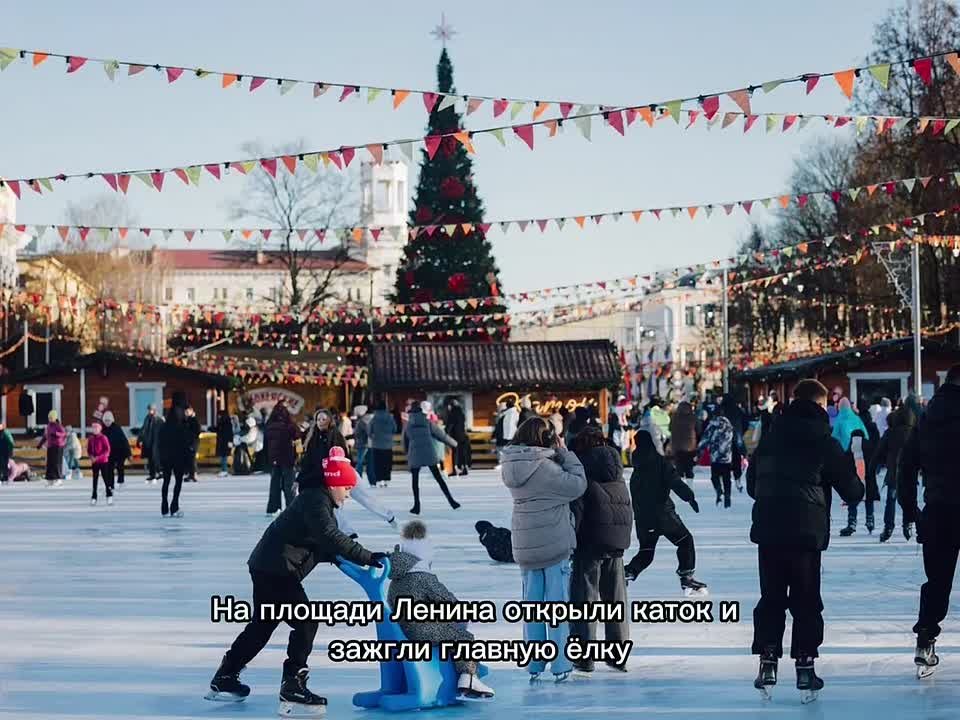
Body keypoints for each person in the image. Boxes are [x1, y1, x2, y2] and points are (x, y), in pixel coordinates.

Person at [207, 444, 387, 714]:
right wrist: (368, 556)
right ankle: (293, 684)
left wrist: (347, 558)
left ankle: (225, 676)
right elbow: (329, 537)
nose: (349, 494)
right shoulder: (316, 501)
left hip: (268, 566)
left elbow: (321, 544)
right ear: (334, 483)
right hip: (278, 570)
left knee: (262, 626)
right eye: (347, 488)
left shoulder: (317, 500)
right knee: (306, 622)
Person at [746, 379, 863, 699]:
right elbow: (853, 491)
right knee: (806, 598)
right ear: (821, 405)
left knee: (771, 597)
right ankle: (805, 665)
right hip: (806, 533)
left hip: (770, 530)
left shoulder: (770, 438)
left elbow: (752, 485)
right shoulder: (823, 441)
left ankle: (768, 660)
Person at [500, 416, 587, 683]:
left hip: (525, 543)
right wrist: (565, 453)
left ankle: (535, 663)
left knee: (532, 607)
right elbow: (578, 484)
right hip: (553, 542)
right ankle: (560, 664)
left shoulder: (510, 464)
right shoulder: (546, 468)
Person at [387, 520, 495, 700]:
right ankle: (468, 678)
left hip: (403, 630)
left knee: (450, 629)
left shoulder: (396, 580)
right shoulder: (423, 576)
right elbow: (448, 601)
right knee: (463, 637)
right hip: (422, 631)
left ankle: (468, 670)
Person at [899, 364, 960, 676]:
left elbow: (906, 465)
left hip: (938, 509)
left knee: (937, 581)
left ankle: (925, 639)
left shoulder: (927, 419)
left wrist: (910, 509)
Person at [568, 426, 632, 672]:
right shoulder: (616, 470)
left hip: (590, 543)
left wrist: (570, 542)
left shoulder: (583, 471)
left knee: (585, 601)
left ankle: (584, 657)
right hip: (617, 543)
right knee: (615, 601)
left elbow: (578, 511)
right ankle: (618, 656)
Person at [626, 428, 706, 594]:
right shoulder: (659, 462)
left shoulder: (637, 468)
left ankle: (627, 573)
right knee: (685, 541)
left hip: (644, 520)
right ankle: (686, 576)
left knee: (646, 552)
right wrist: (689, 497)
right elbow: (675, 482)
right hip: (664, 516)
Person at [868, 405, 916, 543]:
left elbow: (879, 451)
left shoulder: (891, 432)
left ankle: (888, 527)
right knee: (909, 499)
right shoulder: (914, 432)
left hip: (893, 471)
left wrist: (873, 467)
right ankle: (908, 525)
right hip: (910, 472)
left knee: (891, 500)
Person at [403, 402, 459, 514]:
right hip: (428, 453)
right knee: (439, 479)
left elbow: (405, 441)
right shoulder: (428, 423)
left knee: (415, 481)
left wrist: (407, 453)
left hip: (415, 454)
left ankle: (417, 505)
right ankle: (451, 501)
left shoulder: (408, 425)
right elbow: (441, 435)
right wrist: (454, 443)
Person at [834, 398, 872, 536]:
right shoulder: (856, 418)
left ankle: (852, 521)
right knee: (866, 486)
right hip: (860, 453)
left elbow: (834, 437)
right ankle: (869, 519)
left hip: (846, 455)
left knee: (851, 487)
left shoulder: (839, 420)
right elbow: (865, 435)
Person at [698, 409, 740, 508]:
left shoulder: (712, 425)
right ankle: (727, 497)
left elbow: (705, 438)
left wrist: (700, 449)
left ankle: (719, 490)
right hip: (726, 456)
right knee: (727, 478)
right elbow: (736, 440)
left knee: (715, 477)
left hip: (715, 456)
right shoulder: (729, 426)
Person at [159, 399, 193, 517]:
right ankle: (174, 507)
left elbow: (160, 444)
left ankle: (164, 508)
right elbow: (187, 444)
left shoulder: (164, 427)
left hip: (167, 458)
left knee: (166, 482)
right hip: (178, 459)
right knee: (177, 482)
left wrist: (160, 459)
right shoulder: (182, 427)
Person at [265, 402, 299, 516]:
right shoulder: (290, 426)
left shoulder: (269, 425)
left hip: (274, 459)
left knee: (275, 485)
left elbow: (266, 444)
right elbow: (298, 438)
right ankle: (292, 507)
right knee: (289, 485)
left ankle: (273, 508)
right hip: (288, 458)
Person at [369, 400, 397, 488]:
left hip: (376, 444)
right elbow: (395, 428)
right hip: (388, 444)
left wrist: (372, 436)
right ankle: (386, 479)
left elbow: (369, 430)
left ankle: (379, 479)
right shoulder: (390, 417)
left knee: (378, 463)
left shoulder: (374, 417)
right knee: (387, 463)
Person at [669, 400, 698, 480]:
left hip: (677, 446)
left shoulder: (674, 417)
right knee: (689, 467)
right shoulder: (693, 417)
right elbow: (698, 429)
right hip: (690, 446)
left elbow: (670, 428)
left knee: (679, 467)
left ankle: (680, 484)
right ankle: (689, 484)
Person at [101, 411, 131, 488]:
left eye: (108, 420)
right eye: (105, 421)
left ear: (112, 420)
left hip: (119, 451)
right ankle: (110, 485)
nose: (107, 422)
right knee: (109, 469)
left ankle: (121, 481)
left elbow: (124, 441)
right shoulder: (102, 430)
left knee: (120, 467)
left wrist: (128, 453)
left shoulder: (117, 428)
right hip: (109, 453)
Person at [87, 420, 113, 506]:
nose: (94, 429)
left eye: (96, 427)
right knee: (95, 479)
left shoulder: (103, 438)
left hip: (103, 461)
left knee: (106, 479)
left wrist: (98, 457)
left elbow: (107, 450)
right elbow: (89, 450)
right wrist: (91, 457)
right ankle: (94, 496)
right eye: (93, 427)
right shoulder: (91, 438)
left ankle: (109, 495)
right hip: (95, 462)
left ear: (100, 429)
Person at [38, 410, 66, 487]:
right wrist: (40, 444)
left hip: (58, 446)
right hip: (50, 446)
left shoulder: (58, 426)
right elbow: (45, 436)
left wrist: (56, 434)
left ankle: (58, 479)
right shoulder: (48, 426)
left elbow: (64, 434)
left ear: (55, 418)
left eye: (51, 418)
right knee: (50, 463)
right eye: (49, 418)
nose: (50, 419)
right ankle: (50, 479)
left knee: (56, 463)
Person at [446, 398, 471, 476]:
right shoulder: (461, 414)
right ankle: (464, 468)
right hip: (462, 435)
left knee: (454, 453)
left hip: (454, 436)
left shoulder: (452, 414)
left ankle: (454, 470)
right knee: (462, 453)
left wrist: (446, 433)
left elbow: (450, 425)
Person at [140, 404, 164, 484]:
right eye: (149, 410)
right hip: (148, 442)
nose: (150, 411)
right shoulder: (147, 418)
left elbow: (163, 430)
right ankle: (152, 474)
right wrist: (140, 439)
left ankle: (160, 473)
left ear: (154, 410)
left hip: (156, 442)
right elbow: (143, 429)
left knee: (156, 459)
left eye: (151, 409)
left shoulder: (158, 419)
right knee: (150, 459)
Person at [184, 406, 201, 481]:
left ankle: (193, 474)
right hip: (187, 443)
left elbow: (197, 431)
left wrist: (192, 442)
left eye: (187, 412)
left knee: (192, 459)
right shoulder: (187, 420)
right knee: (188, 459)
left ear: (191, 411)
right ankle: (190, 474)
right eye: (186, 412)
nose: (186, 413)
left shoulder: (194, 420)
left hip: (193, 443)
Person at [214, 413, 233, 478]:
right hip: (224, 442)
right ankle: (224, 470)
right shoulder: (225, 423)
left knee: (223, 457)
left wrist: (230, 442)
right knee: (223, 457)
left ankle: (224, 470)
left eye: (220, 416)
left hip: (224, 443)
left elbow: (229, 433)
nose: (218, 417)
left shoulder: (225, 424)